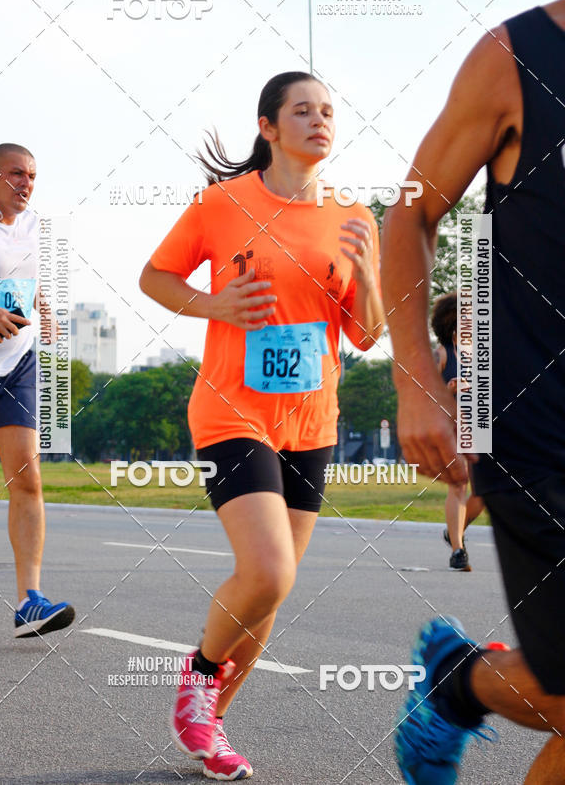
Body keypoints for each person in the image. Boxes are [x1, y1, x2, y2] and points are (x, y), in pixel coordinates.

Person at [140, 71, 384, 780]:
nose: (320, 120)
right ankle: (201, 678)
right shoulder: (223, 205)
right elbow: (155, 277)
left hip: (311, 420)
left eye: (328, 111)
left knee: (273, 587)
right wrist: (213, 306)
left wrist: (368, 277)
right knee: (269, 568)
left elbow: (366, 335)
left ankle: (210, 726)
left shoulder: (354, 217)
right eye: (302, 110)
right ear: (269, 127)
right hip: (231, 409)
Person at [382, 0, 565, 781]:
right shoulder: (516, 57)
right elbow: (410, 215)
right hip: (534, 423)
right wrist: (417, 377)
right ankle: (462, 686)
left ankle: (461, 680)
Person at [0, 143, 75, 638]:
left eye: (32, 175)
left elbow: (24, 278)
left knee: (27, 479)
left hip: (15, 365)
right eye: (15, 174)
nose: (26, 183)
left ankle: (30, 600)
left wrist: (44, 309)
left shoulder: (35, 229)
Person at [431, 293, 484, 571]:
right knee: (458, 484)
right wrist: (447, 391)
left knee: (486, 491)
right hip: (451, 425)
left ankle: (453, 531)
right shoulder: (441, 353)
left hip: (481, 425)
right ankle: (457, 551)